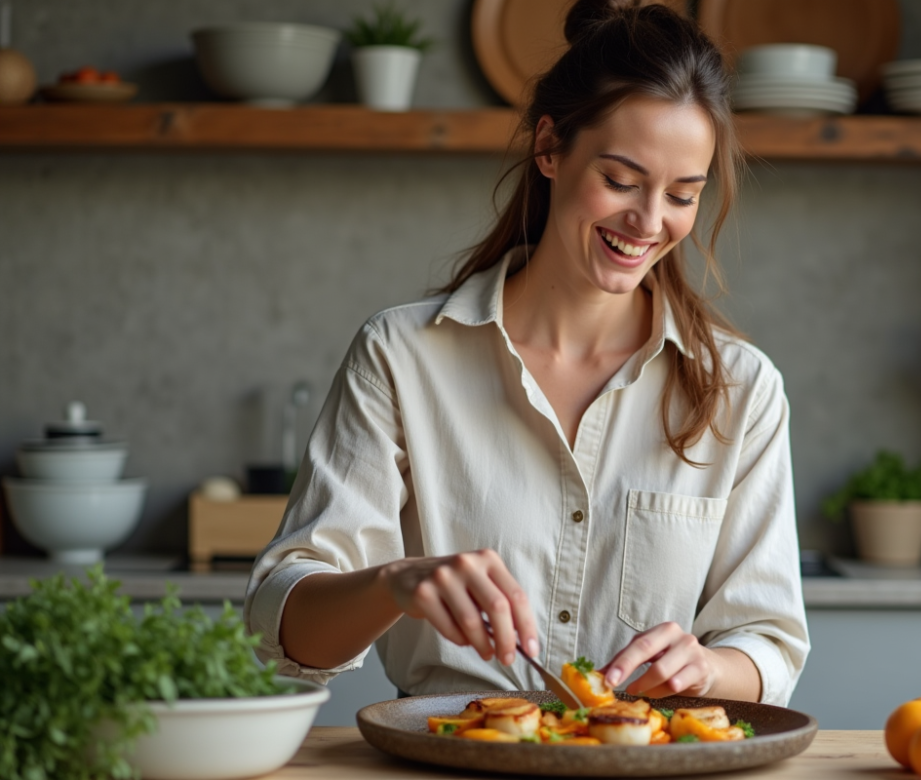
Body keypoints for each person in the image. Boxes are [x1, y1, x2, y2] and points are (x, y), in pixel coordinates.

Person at [244, 0, 809, 706]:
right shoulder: (400, 356)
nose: (649, 221)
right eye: (621, 180)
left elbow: (769, 641)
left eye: (683, 194)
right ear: (549, 147)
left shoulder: (740, 389)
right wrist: (399, 582)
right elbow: (281, 632)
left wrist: (707, 668)